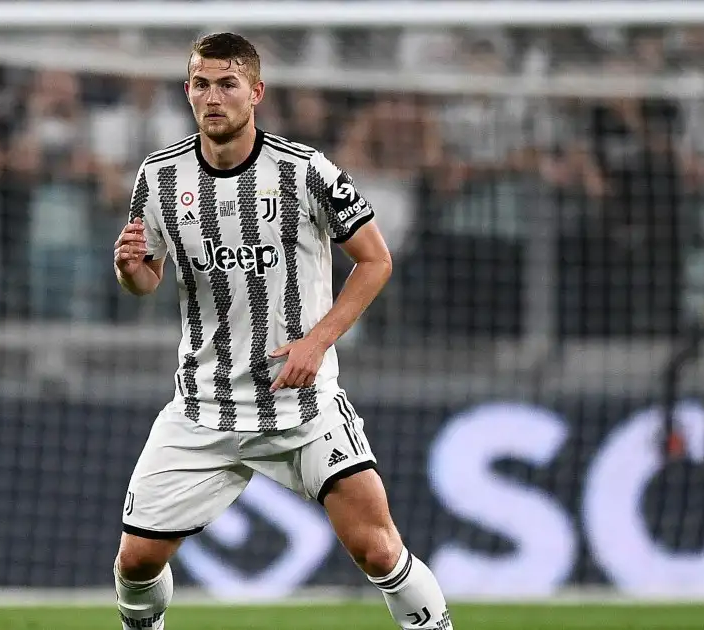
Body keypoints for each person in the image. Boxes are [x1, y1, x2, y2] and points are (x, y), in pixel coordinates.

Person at [110, 33, 454, 630]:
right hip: (203, 409)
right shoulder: (158, 178)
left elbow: (376, 260)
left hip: (303, 405)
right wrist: (132, 272)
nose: (212, 97)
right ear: (187, 91)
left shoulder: (305, 171)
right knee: (135, 564)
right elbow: (149, 281)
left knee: (378, 549)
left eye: (227, 83)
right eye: (200, 84)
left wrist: (317, 342)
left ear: (256, 92)